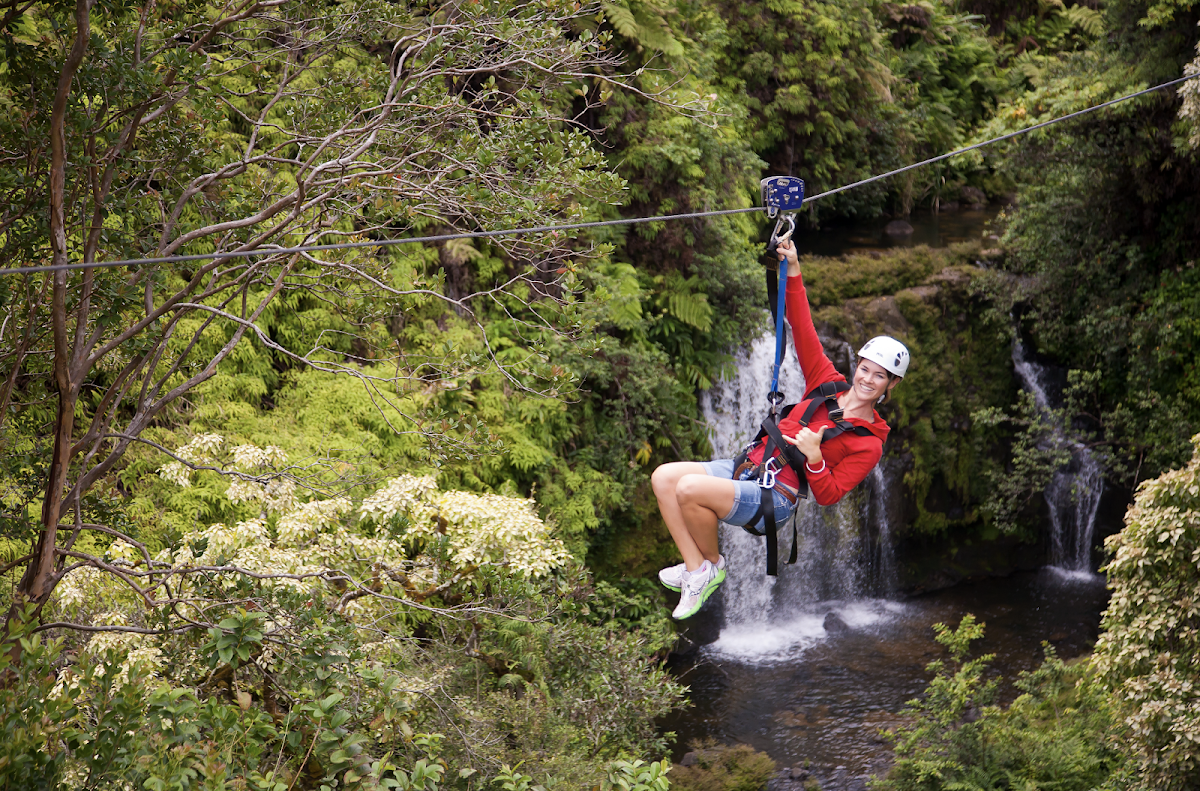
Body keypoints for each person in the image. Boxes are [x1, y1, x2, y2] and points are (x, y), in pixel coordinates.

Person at [650, 238, 910, 619]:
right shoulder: (826, 383)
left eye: (879, 376)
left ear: (891, 385)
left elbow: (829, 496)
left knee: (689, 490)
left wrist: (816, 458)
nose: (867, 379)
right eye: (865, 368)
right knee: (663, 477)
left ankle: (709, 569)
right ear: (857, 365)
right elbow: (802, 327)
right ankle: (698, 569)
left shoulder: (868, 443)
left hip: (778, 496)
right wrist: (794, 268)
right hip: (750, 466)